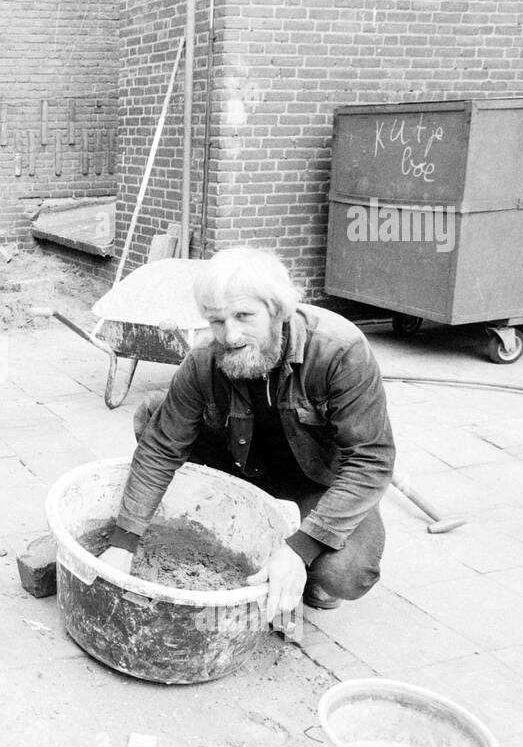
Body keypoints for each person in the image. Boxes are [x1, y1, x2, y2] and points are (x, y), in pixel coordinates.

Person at [100, 247, 395, 624]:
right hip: (242, 465)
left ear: (279, 310)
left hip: (316, 480)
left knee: (345, 573)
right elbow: (160, 449)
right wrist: (124, 543)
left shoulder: (340, 352)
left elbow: (371, 461)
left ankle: (312, 555)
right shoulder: (204, 359)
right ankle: (229, 517)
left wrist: (301, 549)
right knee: (155, 415)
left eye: (243, 316)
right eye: (217, 320)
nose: (230, 335)